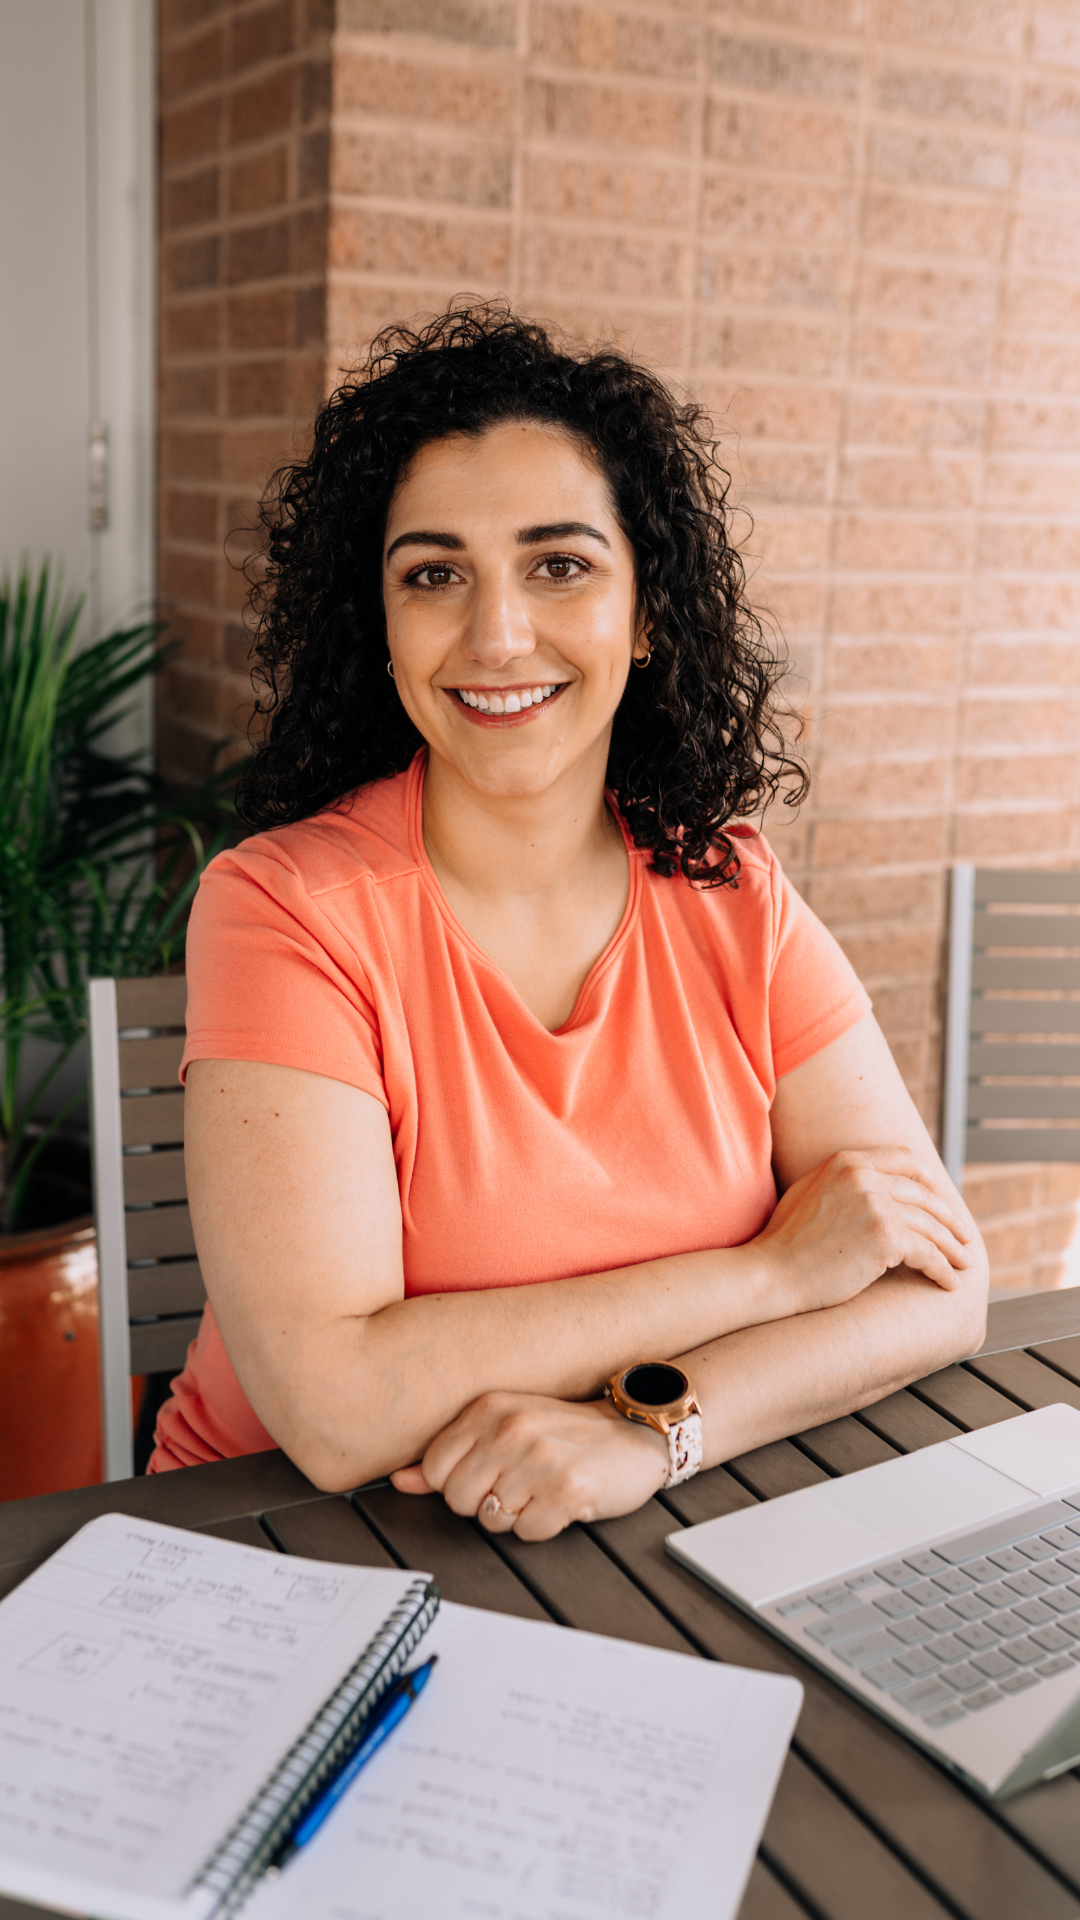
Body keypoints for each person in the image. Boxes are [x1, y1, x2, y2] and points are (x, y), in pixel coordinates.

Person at [152, 305, 988, 1536]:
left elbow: (939, 1286)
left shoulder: (732, 889)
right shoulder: (284, 908)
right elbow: (336, 1409)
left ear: (646, 618)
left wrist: (653, 1429)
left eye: (561, 565)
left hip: (628, 1531)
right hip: (280, 1549)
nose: (497, 635)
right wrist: (771, 1275)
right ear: (378, 630)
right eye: (434, 574)